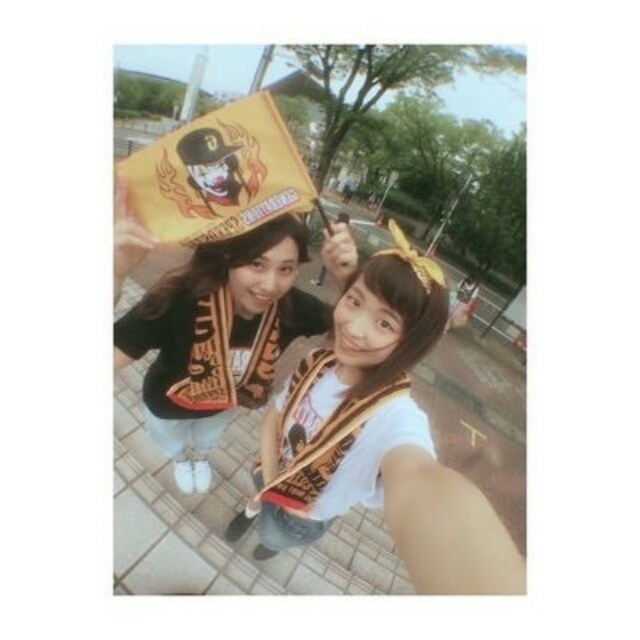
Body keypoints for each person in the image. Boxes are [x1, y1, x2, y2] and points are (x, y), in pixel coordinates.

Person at [224, 220, 525, 594]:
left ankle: (271, 542)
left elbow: (419, 480)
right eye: (354, 301)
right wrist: (270, 482)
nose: (353, 328)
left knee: (274, 536)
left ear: (409, 343)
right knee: (256, 501)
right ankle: (251, 511)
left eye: (385, 323)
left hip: (302, 517)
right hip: (267, 471)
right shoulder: (317, 363)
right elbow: (273, 418)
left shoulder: (393, 416)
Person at [114, 175, 357, 494]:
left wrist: (345, 279)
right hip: (167, 403)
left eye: (286, 269)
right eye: (256, 264)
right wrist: (114, 274)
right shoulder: (180, 298)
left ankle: (200, 456)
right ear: (229, 257)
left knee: (208, 438)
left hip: (225, 404)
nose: (270, 285)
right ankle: (180, 458)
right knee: (171, 440)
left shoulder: (291, 307)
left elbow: (352, 332)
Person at [311, 212, 351, 287]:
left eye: (338, 217)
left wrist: (331, 224)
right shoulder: (346, 227)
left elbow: (330, 232)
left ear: (341, 218)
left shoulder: (340, 227)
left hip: (335, 248)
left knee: (326, 265)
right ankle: (321, 280)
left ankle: (319, 281)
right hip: (340, 249)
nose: (337, 218)